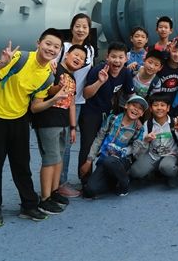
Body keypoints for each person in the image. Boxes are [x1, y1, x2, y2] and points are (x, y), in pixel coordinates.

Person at [0, 29, 66, 227]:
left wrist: (53, 99)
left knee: (22, 164)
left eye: (56, 47)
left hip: (19, 119)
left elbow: (35, 107)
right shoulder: (19, 57)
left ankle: (29, 205)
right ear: (38, 43)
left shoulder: (47, 76)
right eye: (48, 44)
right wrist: (1, 63)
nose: (51, 49)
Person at [30, 44, 87, 215]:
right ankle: (45, 198)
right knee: (50, 159)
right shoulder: (54, 68)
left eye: (82, 59)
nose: (78, 59)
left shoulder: (72, 79)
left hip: (63, 122)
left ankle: (54, 192)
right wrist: (58, 88)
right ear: (67, 54)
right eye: (76, 55)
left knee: (59, 158)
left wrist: (73, 127)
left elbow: (71, 104)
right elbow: (48, 91)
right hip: (48, 120)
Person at [79, 42, 134, 183]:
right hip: (91, 112)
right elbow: (86, 94)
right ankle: (85, 181)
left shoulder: (126, 73)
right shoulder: (97, 70)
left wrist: (136, 116)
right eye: (113, 56)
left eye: (120, 57)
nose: (117, 60)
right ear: (107, 57)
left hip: (109, 114)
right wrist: (99, 82)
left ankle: (105, 176)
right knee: (88, 145)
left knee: (109, 144)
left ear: (126, 59)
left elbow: (131, 95)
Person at [57, 13, 95, 198]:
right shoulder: (63, 48)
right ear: (72, 28)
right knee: (64, 144)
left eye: (85, 27)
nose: (81, 30)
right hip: (63, 101)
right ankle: (60, 183)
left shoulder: (90, 50)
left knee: (73, 142)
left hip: (80, 102)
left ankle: (68, 179)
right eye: (77, 26)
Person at [81, 95, 147, 198]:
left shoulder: (139, 129)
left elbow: (136, 153)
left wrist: (144, 142)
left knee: (110, 160)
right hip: (104, 159)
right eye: (134, 105)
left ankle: (125, 181)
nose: (136, 109)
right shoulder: (112, 119)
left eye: (140, 108)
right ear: (126, 106)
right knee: (90, 190)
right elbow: (99, 139)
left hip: (122, 161)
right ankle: (114, 182)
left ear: (142, 113)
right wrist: (89, 160)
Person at [129, 94, 178, 188]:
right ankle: (155, 171)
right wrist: (146, 140)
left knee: (166, 167)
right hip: (153, 155)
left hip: (171, 155)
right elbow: (140, 146)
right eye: (155, 105)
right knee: (135, 172)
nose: (159, 108)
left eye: (162, 105)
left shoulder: (174, 122)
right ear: (151, 109)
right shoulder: (148, 124)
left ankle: (171, 175)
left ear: (168, 108)